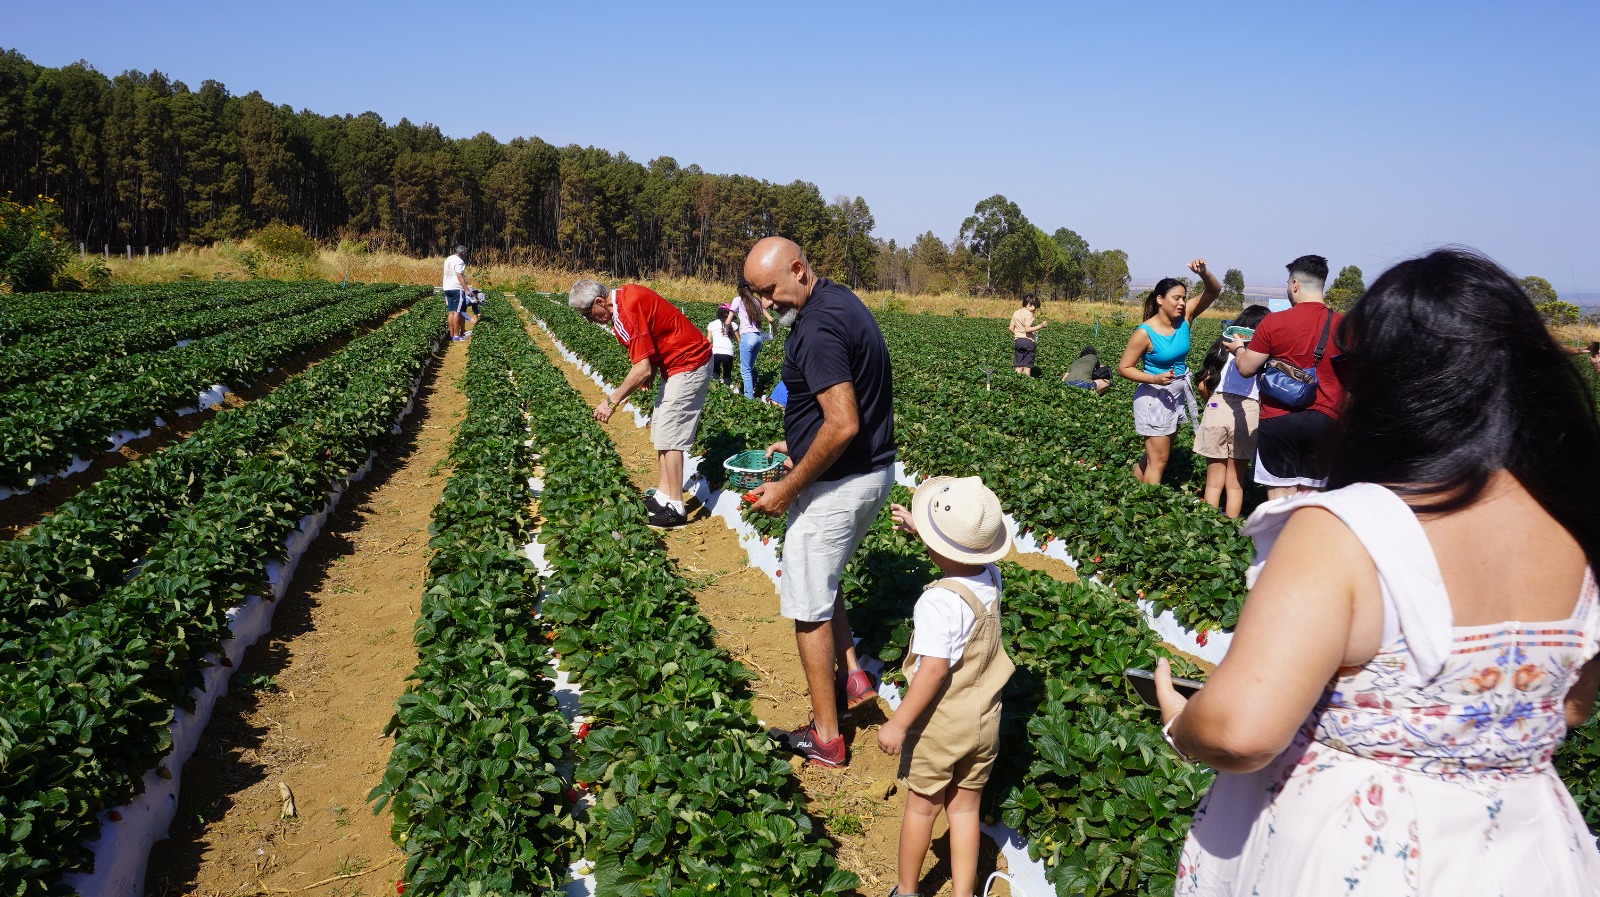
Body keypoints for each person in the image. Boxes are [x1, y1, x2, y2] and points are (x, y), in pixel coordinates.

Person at [1156, 248, 1600, 896]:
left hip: (1365, 853)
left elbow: (1240, 728)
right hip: (1531, 852)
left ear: (1394, 384)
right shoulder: (1578, 526)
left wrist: (1181, 720)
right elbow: (1571, 705)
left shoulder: (1348, 526)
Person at [743, 236, 896, 767]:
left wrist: (787, 488)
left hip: (842, 482)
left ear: (798, 270)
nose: (766, 304)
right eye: (758, 296)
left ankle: (827, 735)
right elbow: (844, 408)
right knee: (822, 576)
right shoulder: (839, 299)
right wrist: (800, 441)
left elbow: (844, 422)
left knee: (807, 602)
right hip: (867, 470)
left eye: (771, 291)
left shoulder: (815, 329)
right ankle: (853, 676)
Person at [879, 476, 1015, 897]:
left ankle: (906, 890)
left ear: (940, 548)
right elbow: (965, 559)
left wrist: (899, 723)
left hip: (942, 724)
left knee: (923, 808)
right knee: (964, 810)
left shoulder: (938, 601)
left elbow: (934, 670)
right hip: (985, 720)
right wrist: (928, 533)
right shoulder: (989, 576)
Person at [569, 279, 712, 531]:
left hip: (689, 363)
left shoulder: (626, 312)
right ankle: (663, 496)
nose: (590, 321)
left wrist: (610, 402)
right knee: (660, 429)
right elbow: (656, 337)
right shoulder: (627, 298)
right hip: (675, 365)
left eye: (589, 315)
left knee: (671, 435)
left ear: (600, 302)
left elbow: (640, 369)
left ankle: (676, 509)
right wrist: (651, 371)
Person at [1225, 255, 1344, 500]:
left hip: (1279, 418)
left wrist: (1238, 349)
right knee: (1313, 498)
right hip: (1326, 420)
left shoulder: (1274, 322)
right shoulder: (1344, 325)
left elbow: (1247, 368)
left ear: (1295, 284)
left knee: (1280, 496)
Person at [1118, 260, 1222, 484]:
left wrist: (1203, 273)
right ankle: (1147, 513)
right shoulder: (1144, 332)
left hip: (1176, 393)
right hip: (1154, 396)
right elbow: (1123, 368)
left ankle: (1131, 493)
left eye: (1184, 298)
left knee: (1154, 456)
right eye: (1177, 298)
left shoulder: (1184, 319)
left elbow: (1214, 290)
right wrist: (1154, 378)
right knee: (1160, 459)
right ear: (1160, 300)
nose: (1182, 303)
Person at [1192, 305, 1269, 517]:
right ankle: (1230, 527)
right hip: (1249, 411)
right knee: (1235, 483)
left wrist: (1211, 405)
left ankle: (1207, 528)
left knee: (1213, 483)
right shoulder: (1263, 351)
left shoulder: (1222, 344)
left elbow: (1202, 384)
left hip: (1218, 405)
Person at [735, 289, 776, 398]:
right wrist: (775, 331)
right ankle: (749, 391)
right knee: (749, 368)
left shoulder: (738, 300)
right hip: (758, 337)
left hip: (747, 337)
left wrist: (726, 327)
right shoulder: (757, 301)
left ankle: (748, 397)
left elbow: (729, 319)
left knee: (745, 370)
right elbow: (771, 318)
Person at [1008, 294, 1047, 375]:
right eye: (1035, 307)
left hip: (1018, 341)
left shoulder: (1016, 313)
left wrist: (1019, 335)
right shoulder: (1029, 314)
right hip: (1028, 342)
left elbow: (1011, 328)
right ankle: (1027, 382)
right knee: (1027, 365)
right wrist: (1041, 326)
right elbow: (1027, 329)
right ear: (1029, 304)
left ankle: (1016, 381)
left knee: (1018, 364)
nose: (1035, 310)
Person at [442, 245, 471, 342]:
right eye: (465, 254)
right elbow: (459, 276)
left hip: (446, 288)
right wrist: (467, 290)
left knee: (450, 312)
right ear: (462, 253)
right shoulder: (459, 261)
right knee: (457, 312)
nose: (465, 256)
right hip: (456, 289)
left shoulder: (448, 259)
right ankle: (456, 336)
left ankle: (451, 334)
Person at [708, 306, 736, 386]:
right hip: (728, 352)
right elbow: (739, 340)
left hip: (715, 352)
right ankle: (727, 390)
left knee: (715, 372)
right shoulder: (733, 324)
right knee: (727, 374)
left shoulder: (712, 324)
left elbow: (708, 340)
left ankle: (717, 389)